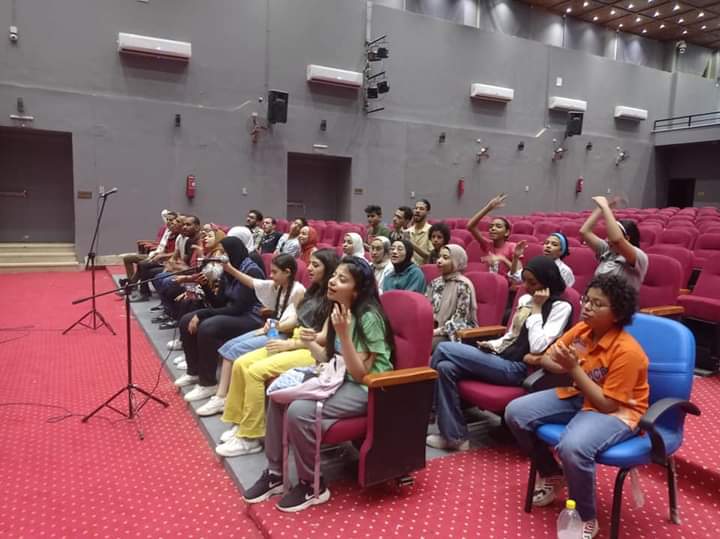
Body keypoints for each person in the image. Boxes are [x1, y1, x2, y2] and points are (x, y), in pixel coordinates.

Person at [243, 256, 394, 512]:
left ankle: (312, 485)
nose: (333, 281)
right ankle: (275, 474)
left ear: (357, 290)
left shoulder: (369, 317)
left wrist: (344, 334)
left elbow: (360, 374)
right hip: (337, 376)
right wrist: (310, 342)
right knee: (279, 395)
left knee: (299, 411)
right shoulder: (338, 308)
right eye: (334, 276)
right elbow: (327, 357)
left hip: (368, 388)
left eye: (342, 280)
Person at [504, 275, 647, 539]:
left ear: (617, 314)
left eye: (597, 304)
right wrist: (563, 365)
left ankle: (586, 516)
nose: (587, 307)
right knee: (515, 412)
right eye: (587, 300)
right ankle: (552, 473)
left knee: (573, 447)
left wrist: (573, 368)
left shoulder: (628, 351)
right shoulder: (582, 330)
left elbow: (607, 404)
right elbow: (548, 357)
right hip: (580, 395)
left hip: (618, 411)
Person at [427, 256, 572, 451]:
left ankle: (427, 410)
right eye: (525, 281)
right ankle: (455, 437)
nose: (527, 287)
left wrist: (537, 309)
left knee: (444, 348)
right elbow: (512, 335)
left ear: (548, 282)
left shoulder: (561, 307)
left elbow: (538, 347)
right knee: (446, 367)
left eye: (533, 283)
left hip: (520, 369)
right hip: (502, 357)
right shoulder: (525, 299)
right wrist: (492, 344)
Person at [214, 249, 339, 456]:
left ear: (329, 269)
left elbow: (325, 338)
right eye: (310, 263)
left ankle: (250, 437)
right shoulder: (313, 290)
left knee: (255, 371)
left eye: (316, 265)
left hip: (310, 350)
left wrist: (291, 344)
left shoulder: (334, 296)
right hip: (295, 339)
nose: (309, 268)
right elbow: (297, 319)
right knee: (240, 363)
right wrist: (278, 326)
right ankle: (240, 422)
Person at [193, 253, 305, 416]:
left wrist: (275, 325)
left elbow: (295, 321)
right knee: (228, 347)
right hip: (273, 328)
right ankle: (222, 395)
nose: (270, 275)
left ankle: (222, 397)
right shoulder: (278, 285)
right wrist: (229, 269)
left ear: (287, 272)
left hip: (283, 334)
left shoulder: (298, 290)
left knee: (233, 352)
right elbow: (252, 282)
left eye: (274, 272)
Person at [173, 237, 265, 402]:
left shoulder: (251, 271)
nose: (220, 255)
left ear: (233, 252)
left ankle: (208, 383)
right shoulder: (228, 270)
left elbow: (238, 309)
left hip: (251, 317)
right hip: (233, 312)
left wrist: (202, 314)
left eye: (223, 252)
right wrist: (205, 286)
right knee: (186, 320)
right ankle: (194, 372)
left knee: (208, 327)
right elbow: (220, 303)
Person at [580, 196, 648, 291]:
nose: (608, 240)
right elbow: (584, 232)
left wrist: (606, 208)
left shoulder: (639, 257)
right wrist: (600, 208)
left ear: (627, 238)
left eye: (611, 236)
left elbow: (617, 240)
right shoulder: (607, 250)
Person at [426, 244, 478, 350]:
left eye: (445, 258)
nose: (439, 261)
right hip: (432, 329)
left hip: (453, 334)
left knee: (422, 345)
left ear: (456, 261)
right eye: (439, 257)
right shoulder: (435, 282)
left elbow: (459, 320)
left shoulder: (463, 285)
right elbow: (425, 308)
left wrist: (434, 332)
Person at [119, 210, 177, 291]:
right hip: (155, 254)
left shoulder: (176, 234)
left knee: (142, 264)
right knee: (128, 258)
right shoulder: (167, 231)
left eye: (171, 220)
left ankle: (131, 285)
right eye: (167, 219)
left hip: (163, 258)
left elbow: (173, 252)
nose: (168, 222)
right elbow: (161, 245)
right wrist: (155, 253)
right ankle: (131, 284)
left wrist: (159, 255)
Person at [466, 193, 516, 275]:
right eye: (491, 226)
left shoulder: (512, 247)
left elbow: (519, 271)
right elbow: (470, 226)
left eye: (498, 226)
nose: (493, 228)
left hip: (505, 281)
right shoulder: (487, 244)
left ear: (507, 232)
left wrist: (503, 259)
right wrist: (488, 207)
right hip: (489, 279)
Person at [510, 232, 575, 288]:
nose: (548, 246)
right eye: (546, 243)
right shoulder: (535, 263)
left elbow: (565, 292)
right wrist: (516, 257)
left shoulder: (565, 270)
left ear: (561, 251)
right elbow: (515, 277)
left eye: (554, 244)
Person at [406, 199, 433, 265]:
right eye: (416, 208)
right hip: (407, 268)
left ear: (427, 212)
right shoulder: (407, 231)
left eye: (421, 209)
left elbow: (430, 256)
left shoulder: (431, 230)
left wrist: (411, 244)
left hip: (423, 268)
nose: (417, 211)